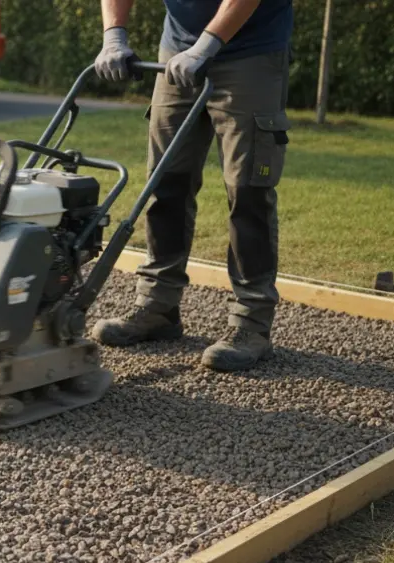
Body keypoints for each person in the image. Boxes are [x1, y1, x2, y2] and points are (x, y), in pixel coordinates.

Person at [90, 0, 294, 372]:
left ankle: (251, 324)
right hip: (177, 49)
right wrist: (113, 35)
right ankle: (158, 306)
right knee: (165, 181)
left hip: (250, 54)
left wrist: (207, 44)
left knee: (248, 189)